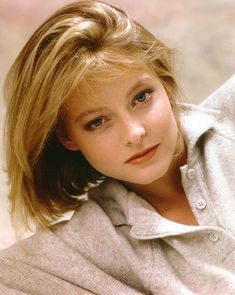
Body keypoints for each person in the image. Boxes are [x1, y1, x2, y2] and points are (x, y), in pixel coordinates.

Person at [0, 0, 235, 294]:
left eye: (141, 97)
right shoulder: (87, 246)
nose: (134, 133)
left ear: (165, 82)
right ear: (67, 137)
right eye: (97, 122)